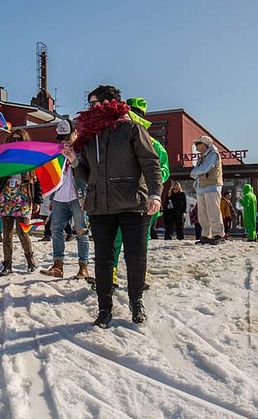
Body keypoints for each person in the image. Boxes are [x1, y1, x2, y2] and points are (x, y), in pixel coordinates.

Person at [64, 85, 162, 328]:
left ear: (111, 103)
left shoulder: (131, 129)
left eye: (96, 102)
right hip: (101, 207)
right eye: (89, 104)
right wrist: (75, 161)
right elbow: (88, 176)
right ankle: (104, 309)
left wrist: (155, 194)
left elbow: (151, 164)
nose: (92, 108)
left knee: (136, 258)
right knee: (104, 260)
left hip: (133, 204)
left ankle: (136, 301)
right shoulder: (89, 138)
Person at [110, 97, 170, 287]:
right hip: (134, 198)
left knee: (130, 238)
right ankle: (122, 275)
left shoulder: (154, 145)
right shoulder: (152, 144)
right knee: (133, 239)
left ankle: (133, 276)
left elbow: (163, 171)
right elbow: (164, 172)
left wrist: (147, 180)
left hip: (139, 199)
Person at [40, 118, 90, 279]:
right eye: (62, 140)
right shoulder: (57, 152)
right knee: (56, 231)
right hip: (60, 198)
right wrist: (52, 198)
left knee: (81, 232)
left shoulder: (84, 150)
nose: (65, 143)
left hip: (78, 197)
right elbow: (54, 177)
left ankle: (83, 267)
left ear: (76, 133)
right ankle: (57, 266)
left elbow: (87, 173)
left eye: (67, 139)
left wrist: (73, 158)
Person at [0, 128, 42, 276]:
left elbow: (37, 181)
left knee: (23, 232)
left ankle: (30, 260)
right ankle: (7, 265)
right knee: (7, 234)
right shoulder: (5, 157)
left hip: (24, 197)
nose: (15, 142)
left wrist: (38, 199)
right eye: (12, 139)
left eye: (18, 139)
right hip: (7, 196)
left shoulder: (30, 158)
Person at [190, 135, 224, 245]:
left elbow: (205, 168)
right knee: (202, 214)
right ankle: (206, 235)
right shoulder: (202, 156)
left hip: (212, 186)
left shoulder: (213, 154)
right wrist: (196, 172)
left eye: (198, 144)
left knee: (213, 211)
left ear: (205, 144)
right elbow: (197, 171)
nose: (196, 146)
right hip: (201, 187)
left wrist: (195, 172)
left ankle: (218, 234)